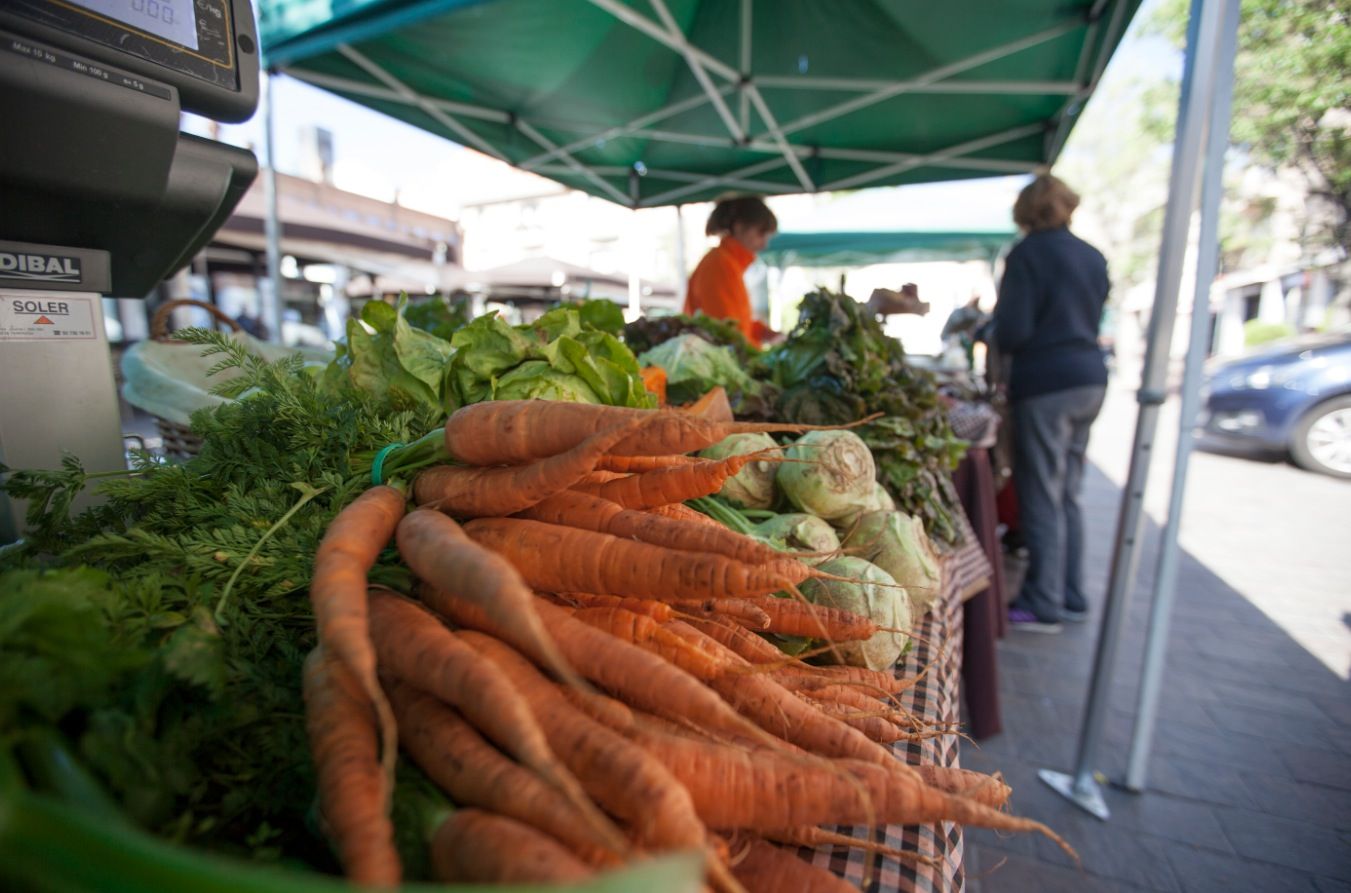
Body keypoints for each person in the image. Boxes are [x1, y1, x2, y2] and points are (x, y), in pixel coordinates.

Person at [992, 173, 1110, 633]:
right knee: (1067, 493)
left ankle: (1043, 602)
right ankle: (1072, 595)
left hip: (1046, 385)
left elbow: (1015, 330)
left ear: (1026, 211)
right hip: (1090, 379)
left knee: (1041, 493)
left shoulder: (1027, 254)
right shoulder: (1092, 255)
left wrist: (992, 330)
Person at [684, 196, 778, 348]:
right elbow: (726, 336)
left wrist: (758, 331)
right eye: (761, 234)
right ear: (740, 227)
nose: (764, 244)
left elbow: (732, 324)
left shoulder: (726, 263)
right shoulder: (719, 265)